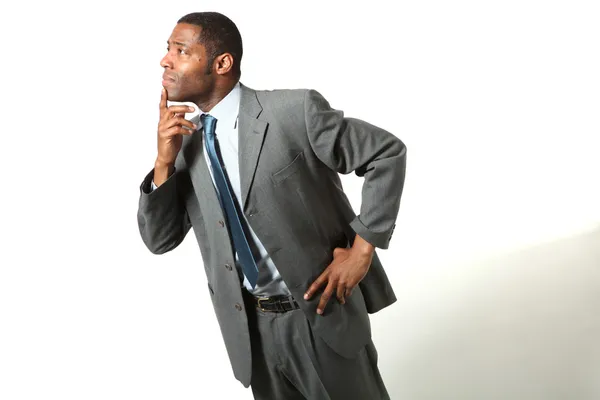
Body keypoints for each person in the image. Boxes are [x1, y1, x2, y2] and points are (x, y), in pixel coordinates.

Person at [137, 11, 406, 400]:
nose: (166, 60)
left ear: (222, 63)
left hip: (320, 315)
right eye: (168, 50)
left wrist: (363, 248)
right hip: (252, 332)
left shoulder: (293, 112)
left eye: (180, 50)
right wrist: (163, 163)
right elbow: (159, 239)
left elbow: (386, 154)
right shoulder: (185, 146)